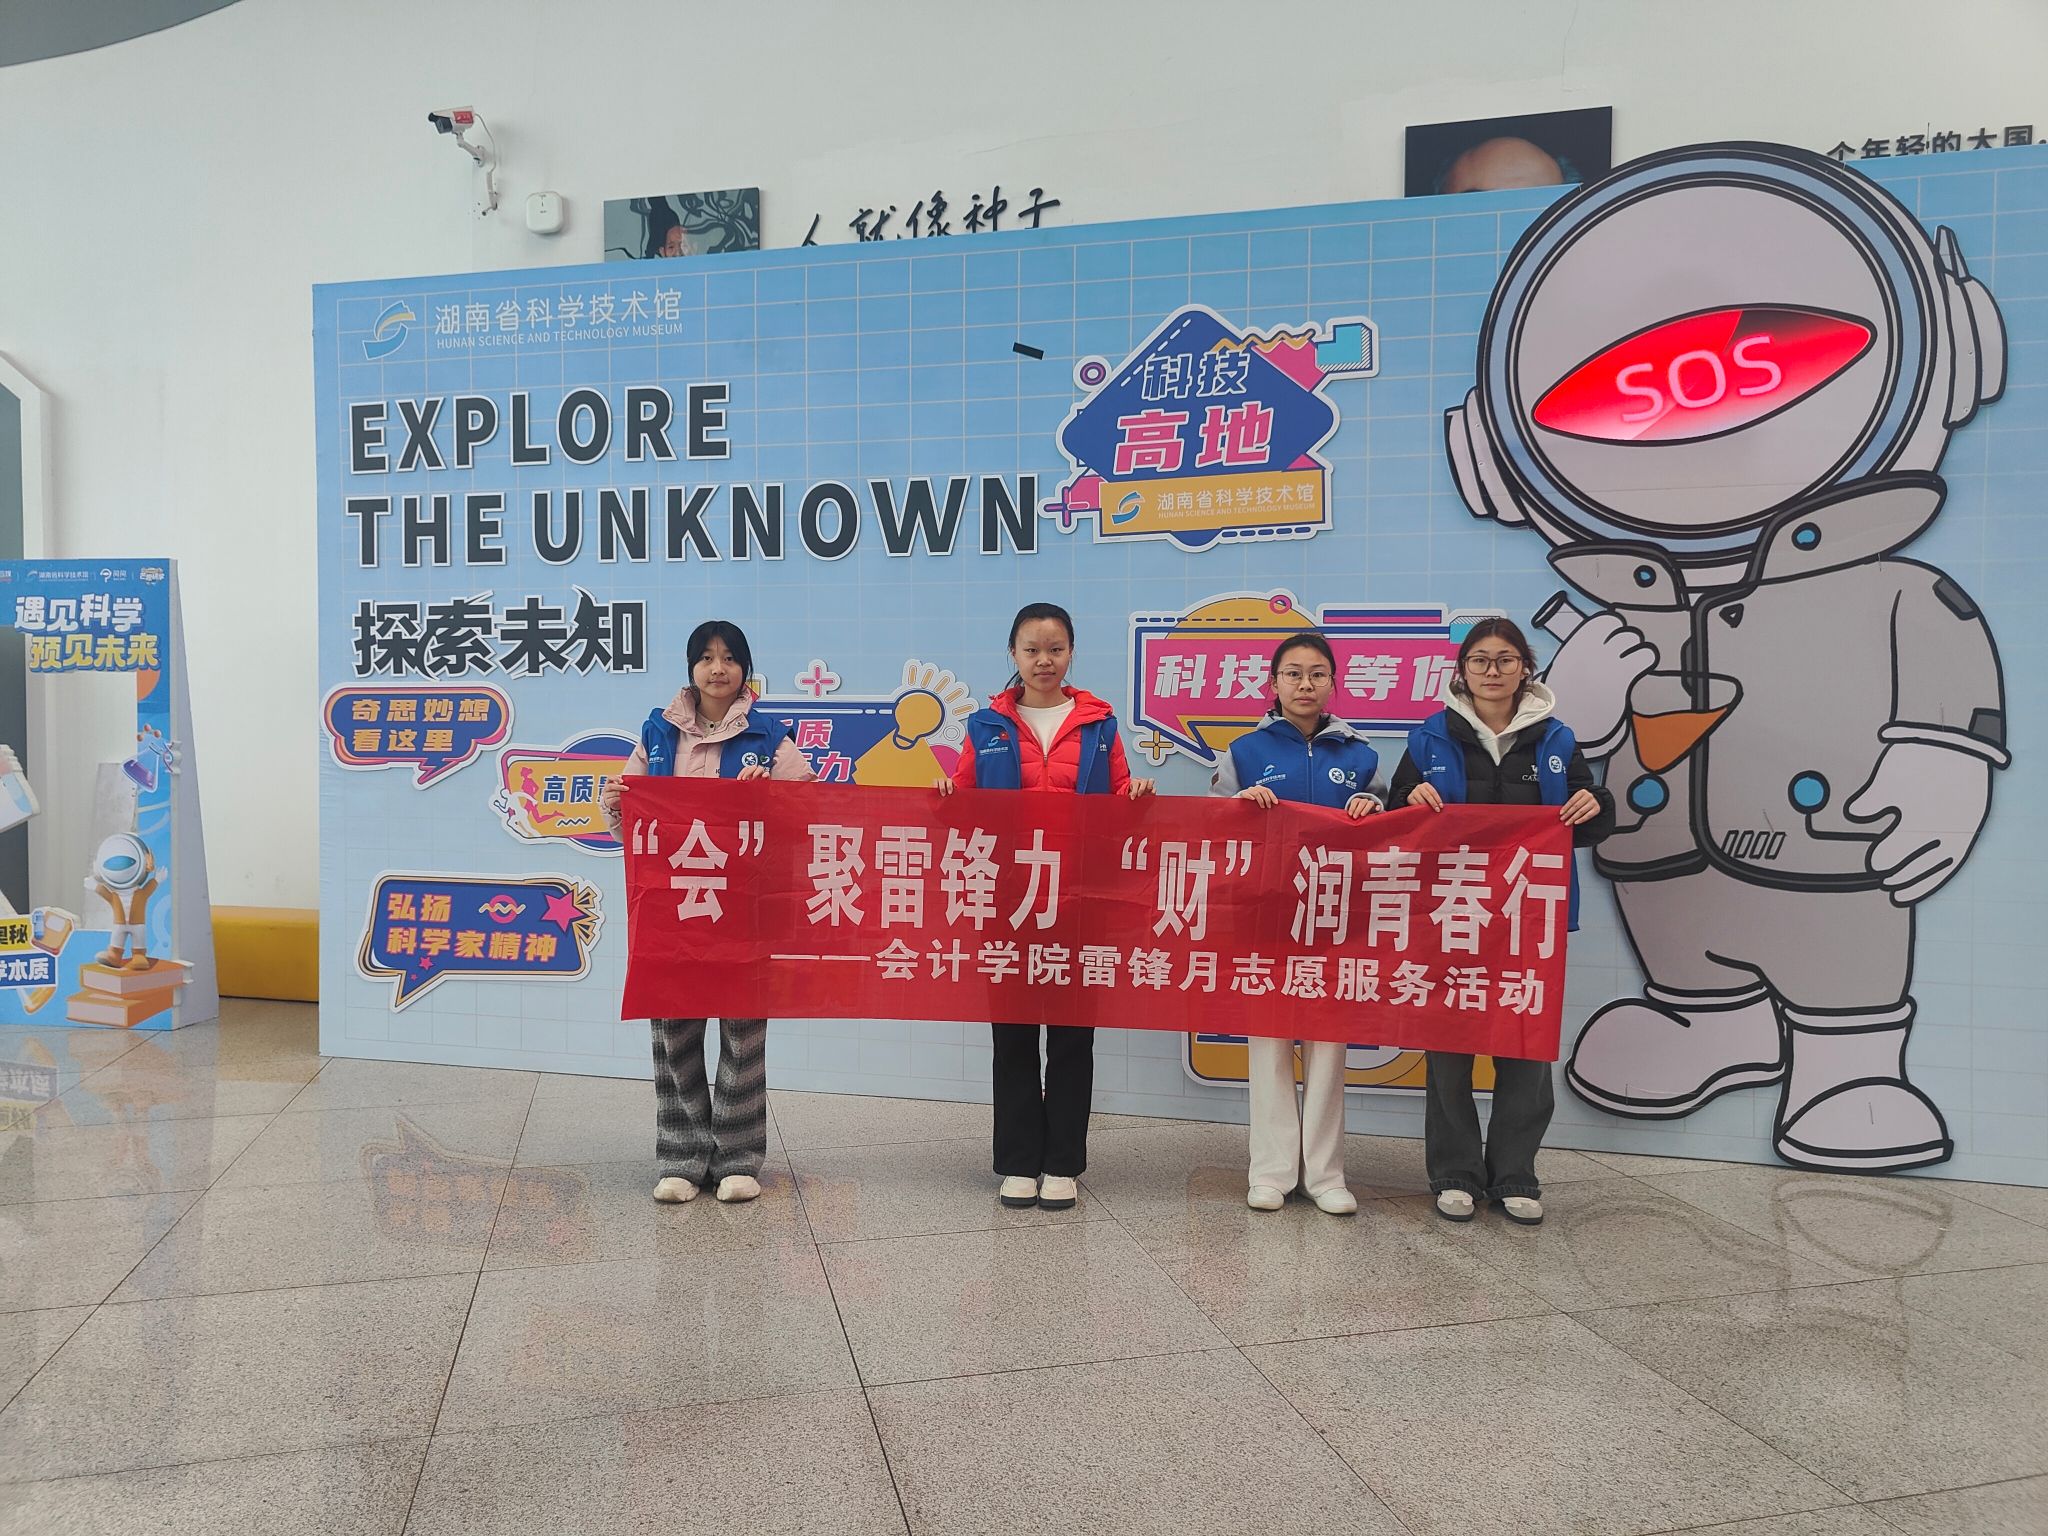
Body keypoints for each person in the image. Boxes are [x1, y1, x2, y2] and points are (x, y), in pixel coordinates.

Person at [1387, 618, 1613, 1226]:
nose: (1493, 671)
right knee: (1449, 1046)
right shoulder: (1430, 737)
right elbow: (1394, 816)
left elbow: (1589, 819)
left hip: (1527, 915)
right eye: (1481, 660)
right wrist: (1409, 800)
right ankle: (1455, 1173)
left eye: (1506, 659)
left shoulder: (1556, 738)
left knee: (1525, 1044)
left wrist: (1594, 802)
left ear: (1525, 668)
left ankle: (1516, 1175)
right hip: (1449, 911)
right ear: (1462, 669)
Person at [937, 602, 1154, 1210]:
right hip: (1007, 900)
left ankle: (1062, 1163)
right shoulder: (986, 726)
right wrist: (948, 794)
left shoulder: (1099, 726)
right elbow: (965, 803)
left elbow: (1117, 796)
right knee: (1012, 1035)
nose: (1044, 660)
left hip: (1078, 900)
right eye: (1032, 649)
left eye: (1055, 649)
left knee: (1072, 1036)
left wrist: (1134, 792)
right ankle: (1016, 1161)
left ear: (1071, 653)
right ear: (1013, 654)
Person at [599, 620, 815, 1205]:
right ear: (691, 668)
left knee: (743, 1032)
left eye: (729, 658)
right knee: (674, 1029)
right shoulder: (658, 733)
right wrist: (615, 803)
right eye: (706, 658)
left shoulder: (771, 737)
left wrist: (769, 795)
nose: (718, 669)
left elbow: (807, 816)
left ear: (746, 668)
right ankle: (681, 1157)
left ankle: (738, 1159)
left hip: (745, 907)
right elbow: (630, 824)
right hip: (673, 907)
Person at [1211, 632, 1383, 1215]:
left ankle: (1326, 1175)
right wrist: (1238, 806)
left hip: (1336, 918)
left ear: (1333, 682)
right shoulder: (1244, 751)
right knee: (1269, 1044)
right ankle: (1272, 1172)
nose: (1305, 684)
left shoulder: (1361, 755)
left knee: (1329, 1048)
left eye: (1316, 674)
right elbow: (1213, 827)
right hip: (1268, 915)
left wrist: (1374, 808)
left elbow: (1390, 833)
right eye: (1293, 673)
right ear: (1274, 683)